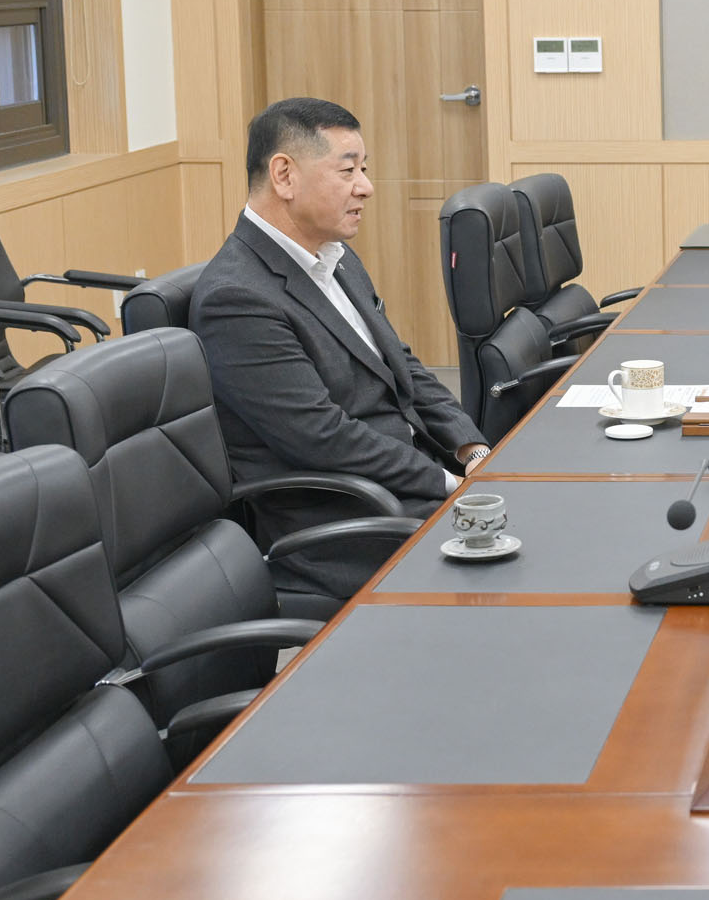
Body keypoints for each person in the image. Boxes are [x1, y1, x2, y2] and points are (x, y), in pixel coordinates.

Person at [194, 97, 490, 598]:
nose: (366, 187)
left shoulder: (337, 257)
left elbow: (402, 364)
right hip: (353, 519)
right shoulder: (236, 298)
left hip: (405, 483)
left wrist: (471, 448)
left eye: (364, 169)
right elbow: (322, 437)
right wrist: (448, 483)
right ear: (284, 176)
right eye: (348, 170)